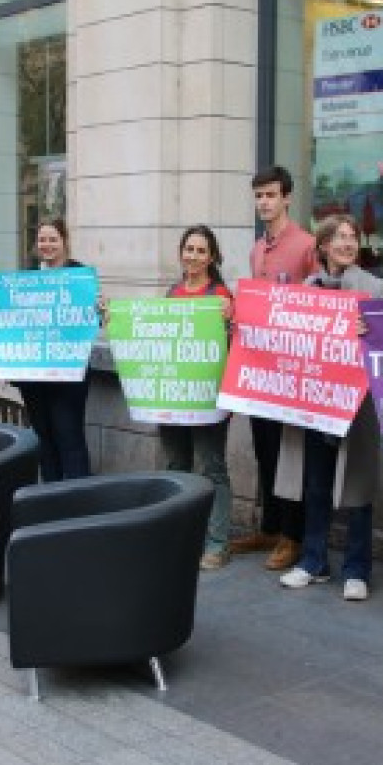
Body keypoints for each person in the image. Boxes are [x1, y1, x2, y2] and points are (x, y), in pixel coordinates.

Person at [276, 214, 383, 602]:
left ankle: (357, 569)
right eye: (339, 237)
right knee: (316, 485)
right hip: (316, 402)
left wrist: (370, 330)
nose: (347, 243)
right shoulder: (306, 289)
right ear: (323, 245)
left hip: (356, 405)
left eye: (352, 237)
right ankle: (314, 561)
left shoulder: (376, 288)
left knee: (357, 488)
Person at [230, 165, 316, 571]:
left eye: (270, 195)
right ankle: (270, 524)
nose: (264, 202)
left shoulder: (305, 245)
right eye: (258, 196)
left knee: (289, 452)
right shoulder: (255, 248)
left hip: (293, 368)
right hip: (261, 366)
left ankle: (292, 534)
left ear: (286, 198)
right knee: (264, 446)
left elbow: (318, 302)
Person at [158, 225, 235, 571]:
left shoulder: (221, 297)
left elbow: (236, 341)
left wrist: (231, 320)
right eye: (188, 249)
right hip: (172, 397)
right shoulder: (172, 294)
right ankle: (181, 533)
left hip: (208, 398)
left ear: (212, 257)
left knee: (211, 467)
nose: (193, 256)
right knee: (176, 465)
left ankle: (217, 542)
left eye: (201, 251)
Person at [15, 218, 92, 481]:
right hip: (34, 376)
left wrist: (99, 307)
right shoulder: (26, 278)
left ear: (64, 242)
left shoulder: (79, 274)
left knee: (69, 438)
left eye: (52, 239)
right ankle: (51, 499)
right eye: (42, 240)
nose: (46, 245)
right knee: (43, 440)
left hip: (68, 374)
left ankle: (78, 498)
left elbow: (91, 321)